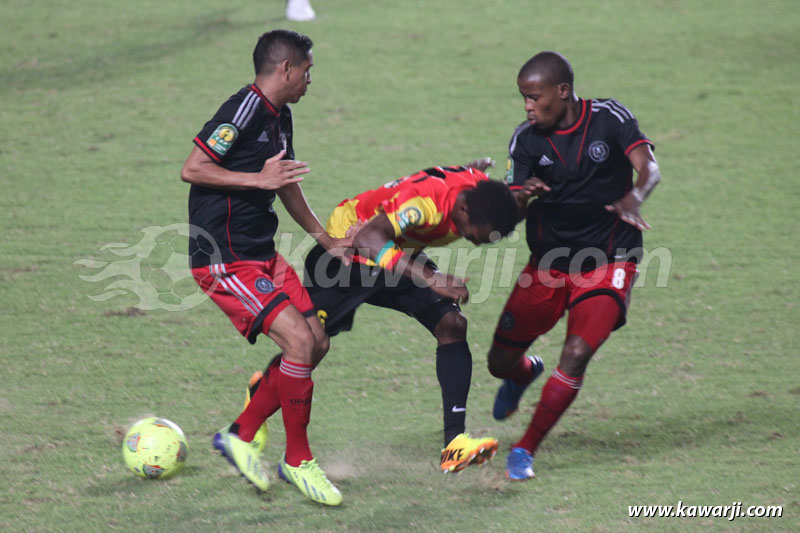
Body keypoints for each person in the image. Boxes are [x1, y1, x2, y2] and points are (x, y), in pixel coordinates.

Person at [181, 29, 349, 506]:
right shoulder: (244, 109)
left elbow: (284, 182)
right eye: (308, 71)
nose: (310, 80)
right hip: (223, 258)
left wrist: (324, 238)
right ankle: (298, 460)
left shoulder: (281, 116)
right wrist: (257, 178)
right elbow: (193, 167)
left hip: (261, 253)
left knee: (316, 342)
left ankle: (241, 432)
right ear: (286, 69)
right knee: (298, 341)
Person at [488, 51, 661, 480]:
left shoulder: (609, 118)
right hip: (548, 264)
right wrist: (521, 196)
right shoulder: (525, 141)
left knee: (578, 352)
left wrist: (634, 197)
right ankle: (524, 372)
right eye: (523, 98)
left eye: (534, 97)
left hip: (609, 259)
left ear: (562, 92)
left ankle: (525, 449)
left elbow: (649, 168)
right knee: (498, 362)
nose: (527, 106)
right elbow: (508, 210)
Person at [293, 160, 518, 473]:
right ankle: (252, 412)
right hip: (348, 250)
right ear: (464, 210)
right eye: (480, 235)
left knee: (452, 324)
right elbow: (368, 238)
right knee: (307, 346)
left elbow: (488, 191)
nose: (481, 242)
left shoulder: (477, 189)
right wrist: (430, 279)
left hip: (395, 251)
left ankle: (455, 445)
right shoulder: (425, 206)